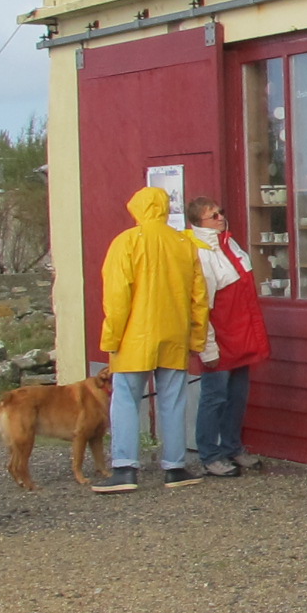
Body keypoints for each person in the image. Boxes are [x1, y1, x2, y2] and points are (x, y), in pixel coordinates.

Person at [93, 184, 208, 494]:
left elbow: (117, 297)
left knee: (126, 400)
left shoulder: (126, 242)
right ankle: (175, 468)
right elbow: (199, 298)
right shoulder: (185, 244)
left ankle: (125, 469)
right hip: (174, 334)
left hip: (134, 337)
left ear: (136, 209)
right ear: (166, 209)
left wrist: (111, 339)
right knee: (173, 401)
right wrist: (196, 339)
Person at [186, 197, 269, 476]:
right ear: (199, 222)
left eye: (220, 212)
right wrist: (207, 348)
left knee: (237, 396)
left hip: (240, 336)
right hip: (220, 338)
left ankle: (233, 447)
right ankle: (210, 454)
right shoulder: (201, 253)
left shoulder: (229, 244)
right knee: (214, 397)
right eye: (213, 216)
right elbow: (202, 307)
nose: (220, 217)